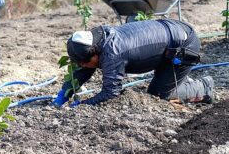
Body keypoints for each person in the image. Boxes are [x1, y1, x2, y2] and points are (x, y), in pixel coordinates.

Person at [52, 19, 214, 107]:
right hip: (169, 36)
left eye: (85, 63)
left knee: (161, 95)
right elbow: (85, 68)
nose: (85, 67)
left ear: (94, 54)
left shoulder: (113, 53)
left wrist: (83, 105)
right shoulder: (98, 39)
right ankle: (179, 80)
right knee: (161, 86)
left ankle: (205, 87)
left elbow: (111, 92)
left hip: (183, 45)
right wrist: (65, 92)